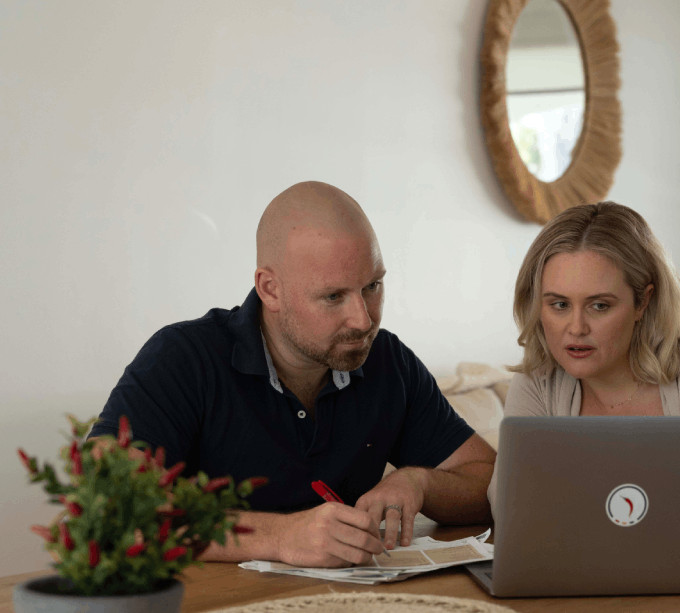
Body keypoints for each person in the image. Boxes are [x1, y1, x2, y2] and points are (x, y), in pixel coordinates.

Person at [90, 182, 496, 567]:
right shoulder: (182, 358)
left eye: (372, 285)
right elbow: (106, 508)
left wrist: (419, 483)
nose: (363, 318)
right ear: (270, 290)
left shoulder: (386, 359)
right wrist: (279, 537)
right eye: (333, 296)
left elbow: (491, 481)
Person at [489, 201, 680, 595]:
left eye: (600, 305)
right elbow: (508, 500)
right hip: (573, 594)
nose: (575, 328)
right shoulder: (536, 385)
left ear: (643, 301)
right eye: (559, 305)